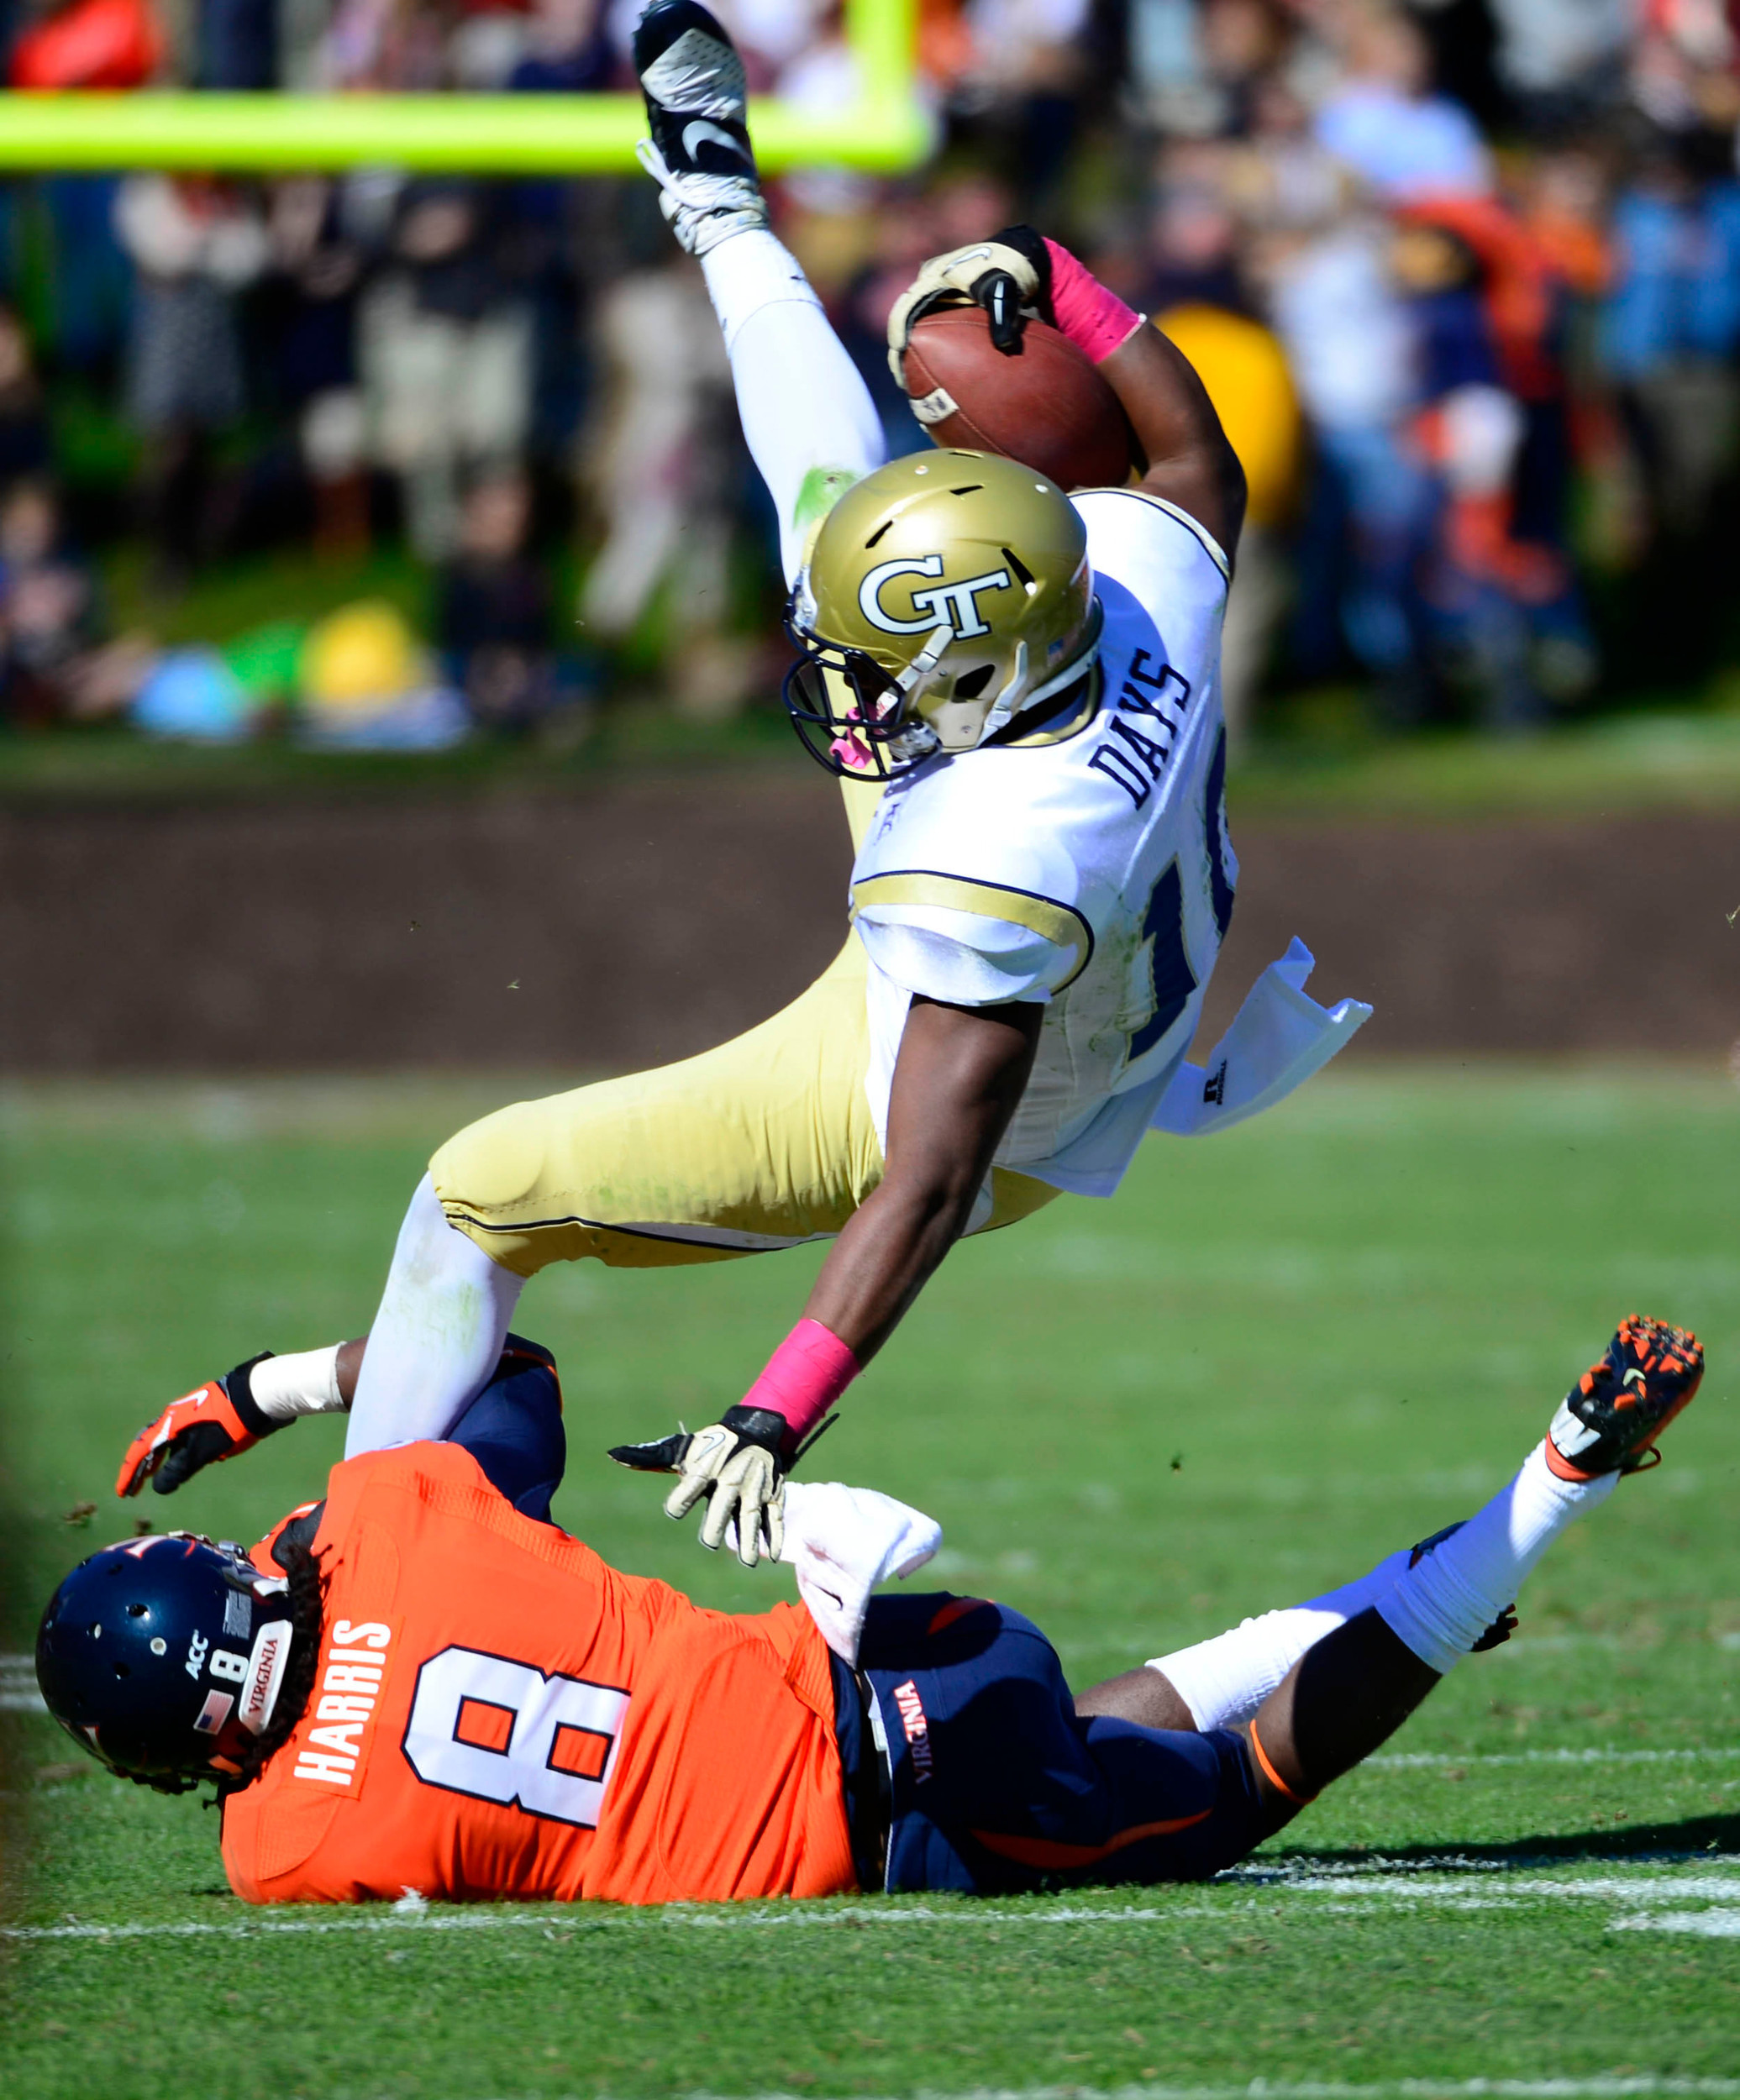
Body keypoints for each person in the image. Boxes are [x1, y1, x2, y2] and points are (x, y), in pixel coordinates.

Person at [113, 0, 1369, 1576]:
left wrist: (777, 1405)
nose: (842, 681)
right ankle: (712, 195)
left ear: (965, 679)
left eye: (881, 669)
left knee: (478, 1190)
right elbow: (1197, 460)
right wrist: (1063, 278)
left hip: (965, 1082)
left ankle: (354, 1579)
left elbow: (930, 1176)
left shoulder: (997, 854)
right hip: (1073, 906)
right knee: (835, 508)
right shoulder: (1120, 570)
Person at [43, 1316, 1703, 1903]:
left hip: (890, 1799)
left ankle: (1541, 1492)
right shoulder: (389, 1515)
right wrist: (261, 1392)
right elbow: (507, 1365)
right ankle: (1416, 1594)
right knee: (1104, 1734)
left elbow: (325, 1767)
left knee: (1247, 1788)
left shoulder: (282, 1854)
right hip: (901, 1656)